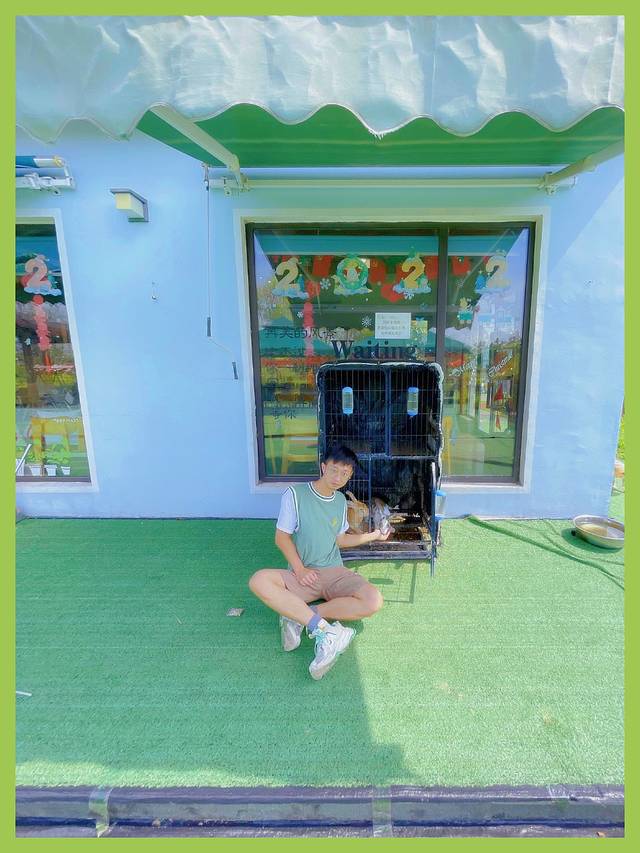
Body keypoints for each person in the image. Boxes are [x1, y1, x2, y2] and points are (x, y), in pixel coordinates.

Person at [248, 443, 390, 680]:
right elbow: (281, 538)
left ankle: (300, 616)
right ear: (323, 467)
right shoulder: (295, 494)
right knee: (259, 580)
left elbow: (340, 540)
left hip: (336, 572)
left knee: (373, 600)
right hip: (305, 575)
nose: (338, 478)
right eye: (334, 470)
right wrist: (300, 569)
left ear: (350, 476)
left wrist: (375, 535)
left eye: (345, 473)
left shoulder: (340, 501)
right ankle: (325, 631)